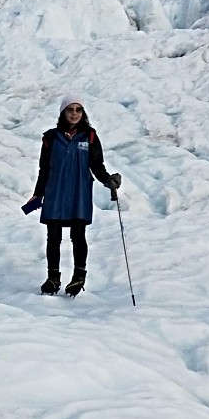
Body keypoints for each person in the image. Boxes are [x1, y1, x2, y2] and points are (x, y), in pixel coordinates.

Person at [25, 95, 120, 296]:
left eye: (78, 109)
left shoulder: (90, 136)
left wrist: (107, 180)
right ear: (63, 113)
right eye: (70, 109)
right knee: (53, 237)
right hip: (55, 192)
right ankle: (53, 277)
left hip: (79, 193)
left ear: (83, 113)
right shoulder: (50, 138)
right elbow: (44, 169)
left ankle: (78, 276)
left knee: (78, 235)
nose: (74, 113)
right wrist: (38, 194)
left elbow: (96, 165)